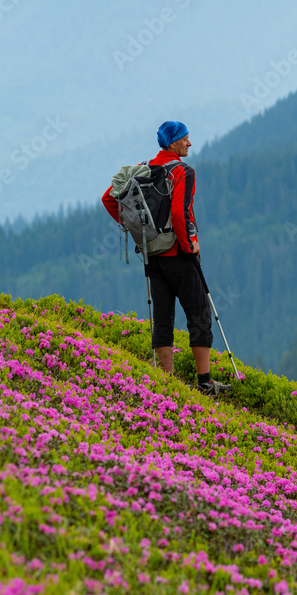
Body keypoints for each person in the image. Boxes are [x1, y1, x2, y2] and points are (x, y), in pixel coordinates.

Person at [101, 121, 232, 397]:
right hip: (179, 255)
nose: (189, 143)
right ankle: (205, 383)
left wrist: (136, 230)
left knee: (162, 318)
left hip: (152, 256)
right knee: (199, 313)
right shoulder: (183, 172)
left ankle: (167, 383)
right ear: (173, 143)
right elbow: (179, 213)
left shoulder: (143, 169)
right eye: (185, 138)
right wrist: (190, 246)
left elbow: (109, 199)